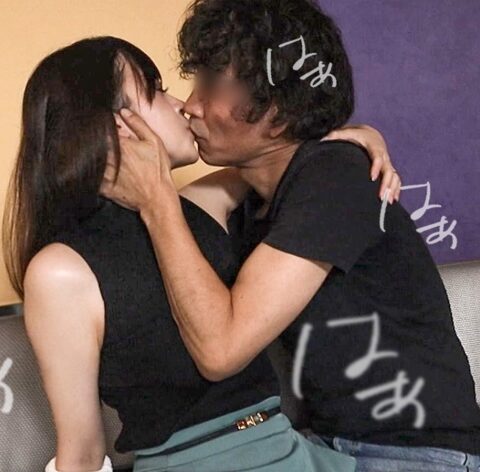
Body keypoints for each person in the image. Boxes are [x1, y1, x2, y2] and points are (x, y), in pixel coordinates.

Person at [101, 1, 480, 471]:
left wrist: (157, 199)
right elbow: (155, 218)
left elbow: (220, 351)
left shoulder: (335, 177)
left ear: (276, 112)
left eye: (211, 85)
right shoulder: (258, 196)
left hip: (418, 454)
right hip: (324, 446)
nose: (191, 106)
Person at [2, 36, 399, 472]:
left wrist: (362, 137)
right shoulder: (60, 271)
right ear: (118, 125)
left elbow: (284, 154)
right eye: (157, 91)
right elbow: (82, 452)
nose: (183, 106)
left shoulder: (200, 204)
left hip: (291, 448)